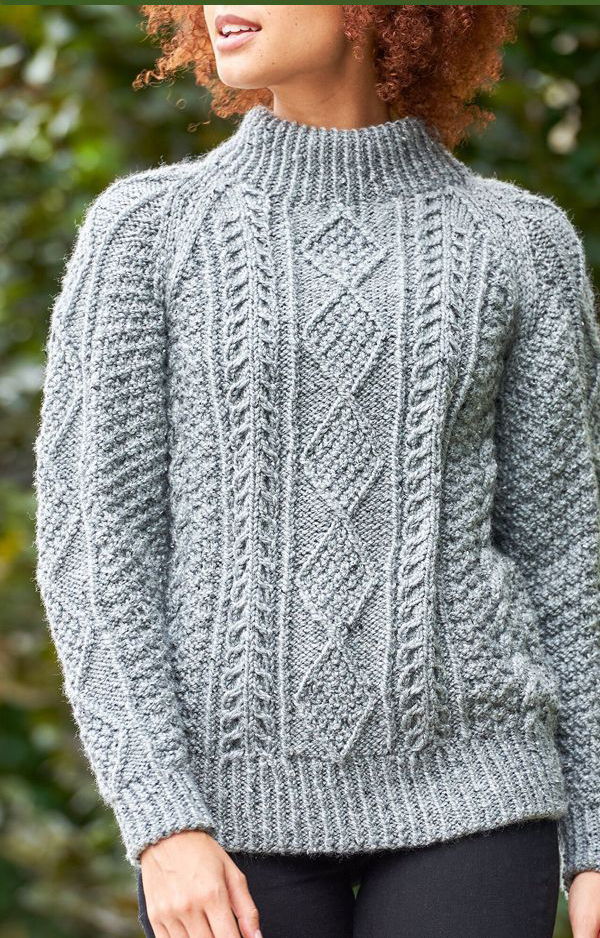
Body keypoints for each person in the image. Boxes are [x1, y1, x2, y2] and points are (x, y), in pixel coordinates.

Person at [33, 4, 600, 938]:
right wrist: (163, 821)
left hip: (481, 784)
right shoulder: (146, 233)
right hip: (223, 811)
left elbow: (565, 556)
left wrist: (594, 841)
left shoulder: (522, 243)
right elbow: (96, 550)